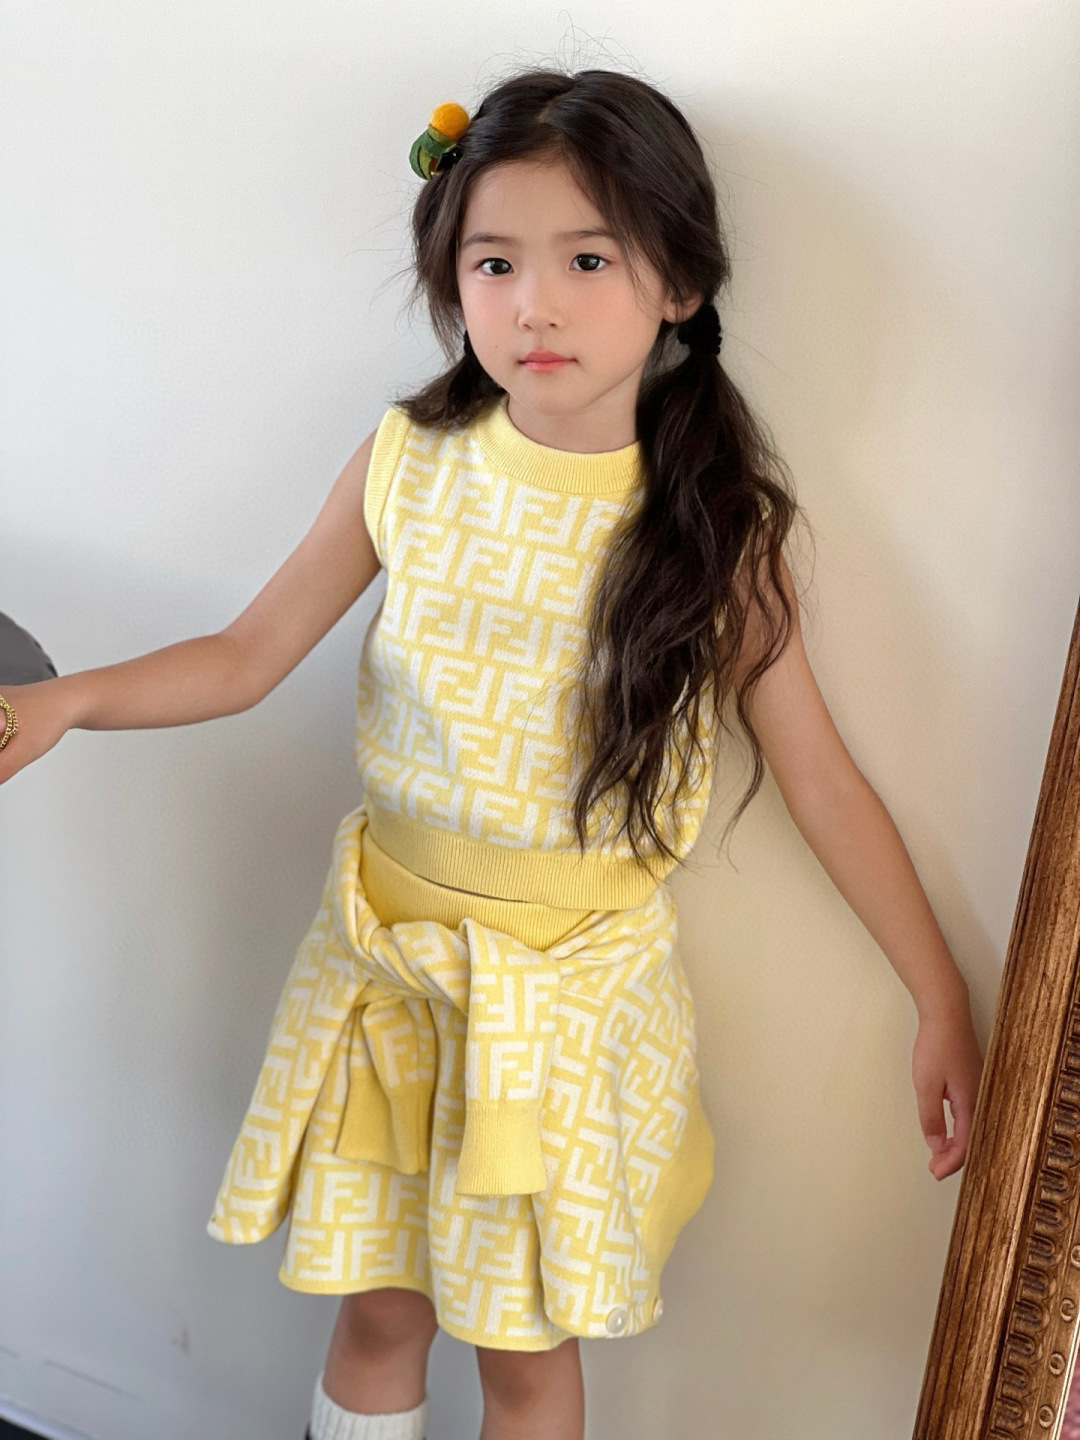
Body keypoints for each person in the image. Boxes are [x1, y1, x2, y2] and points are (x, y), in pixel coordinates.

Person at [0, 64, 983, 1440]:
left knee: (523, 1357)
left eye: (589, 259)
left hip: (563, 1017)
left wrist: (939, 994)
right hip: (383, 979)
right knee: (377, 1313)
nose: (535, 304)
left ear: (679, 283)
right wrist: (62, 704)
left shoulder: (712, 528)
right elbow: (244, 653)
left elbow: (819, 777)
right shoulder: (406, 460)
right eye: (495, 262)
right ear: (451, 279)